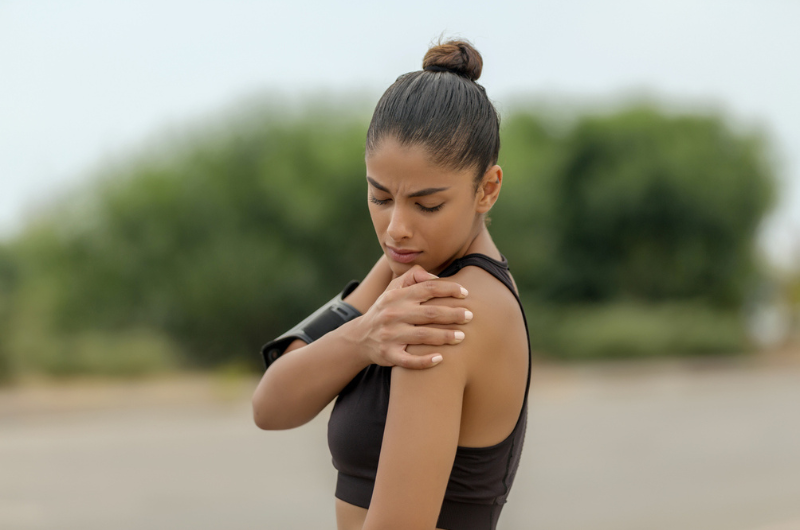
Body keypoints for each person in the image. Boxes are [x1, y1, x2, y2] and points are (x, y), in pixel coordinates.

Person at [252, 39, 531, 530]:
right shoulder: (406, 269)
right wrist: (362, 338)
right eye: (380, 196)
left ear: (487, 189)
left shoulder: (445, 310)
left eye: (427, 205)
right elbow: (271, 405)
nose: (396, 227)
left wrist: (368, 331)